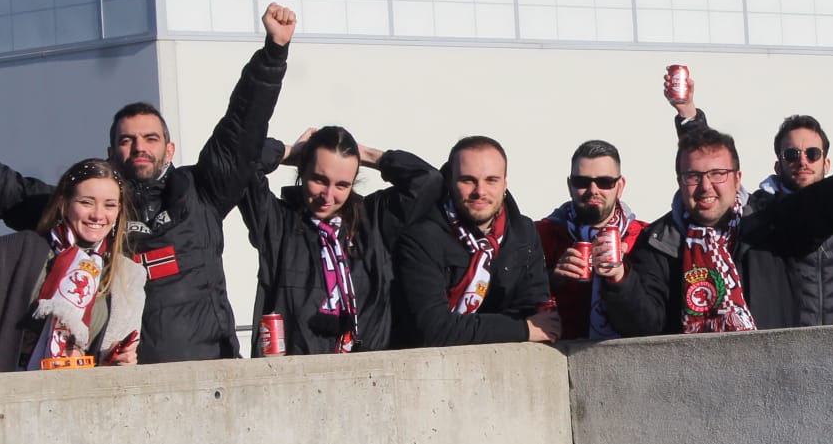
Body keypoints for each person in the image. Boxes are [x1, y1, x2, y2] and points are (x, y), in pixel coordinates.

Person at [0, 4, 294, 364]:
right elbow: (5, 188)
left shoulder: (202, 191)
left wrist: (273, 54)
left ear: (169, 149)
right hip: (122, 378)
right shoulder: (90, 209)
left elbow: (241, 132)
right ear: (111, 150)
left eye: (150, 139)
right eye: (127, 140)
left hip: (210, 368)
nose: (139, 148)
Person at [604, 122, 833, 336]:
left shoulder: (769, 222)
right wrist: (620, 280)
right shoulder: (658, 242)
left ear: (737, 178)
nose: (706, 187)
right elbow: (644, 327)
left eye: (718, 174)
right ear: (680, 180)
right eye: (694, 176)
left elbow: (821, 207)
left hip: (776, 382)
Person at [669, 75, 833, 326]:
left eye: (812, 154)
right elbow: (714, 167)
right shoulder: (763, 213)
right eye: (791, 154)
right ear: (778, 165)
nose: (802, 161)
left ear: (827, 162)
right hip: (788, 344)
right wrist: (689, 116)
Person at [0, 159, 147, 373]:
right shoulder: (14, 251)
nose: (98, 215)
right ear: (64, 203)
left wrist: (121, 362)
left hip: (83, 401)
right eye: (86, 202)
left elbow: (116, 356)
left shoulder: (125, 276)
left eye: (109, 205)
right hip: (8, 398)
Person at [237, 127, 441, 355]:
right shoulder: (277, 224)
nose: (328, 196)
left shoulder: (373, 222)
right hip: (295, 377)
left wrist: (367, 155)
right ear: (301, 170)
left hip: (369, 374)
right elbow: (241, 165)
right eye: (319, 180)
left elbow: (429, 181)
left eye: (342, 185)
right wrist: (287, 151)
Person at [392, 137, 559, 347]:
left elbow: (536, 314)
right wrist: (520, 329)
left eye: (491, 180)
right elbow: (432, 329)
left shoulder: (523, 232)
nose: (480, 191)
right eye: (468, 180)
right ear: (450, 182)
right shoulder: (421, 237)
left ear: (505, 184)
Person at [537, 140, 645, 341]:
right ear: (570, 186)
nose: (593, 190)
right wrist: (551, 280)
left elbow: (653, 319)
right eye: (582, 182)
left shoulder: (645, 237)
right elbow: (512, 301)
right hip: (559, 359)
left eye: (605, 182)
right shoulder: (539, 235)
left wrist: (622, 278)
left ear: (619, 186)